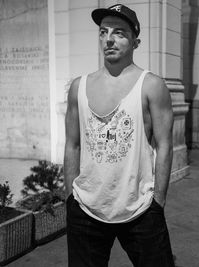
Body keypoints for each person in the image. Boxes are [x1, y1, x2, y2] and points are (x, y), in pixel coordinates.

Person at [64, 4, 175, 266]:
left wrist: (157, 202)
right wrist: (70, 197)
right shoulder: (78, 87)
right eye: (103, 32)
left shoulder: (151, 85)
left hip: (140, 208)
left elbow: (165, 145)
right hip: (85, 208)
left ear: (136, 41)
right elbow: (72, 144)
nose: (109, 39)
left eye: (119, 33)